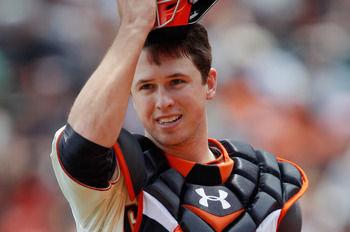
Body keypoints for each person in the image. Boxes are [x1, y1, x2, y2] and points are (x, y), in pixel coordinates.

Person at [50, 0, 308, 231]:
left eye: (176, 81)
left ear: (209, 83)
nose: (163, 102)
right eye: (146, 87)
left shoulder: (270, 190)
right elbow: (80, 146)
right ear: (130, 94)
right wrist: (133, 27)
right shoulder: (117, 178)